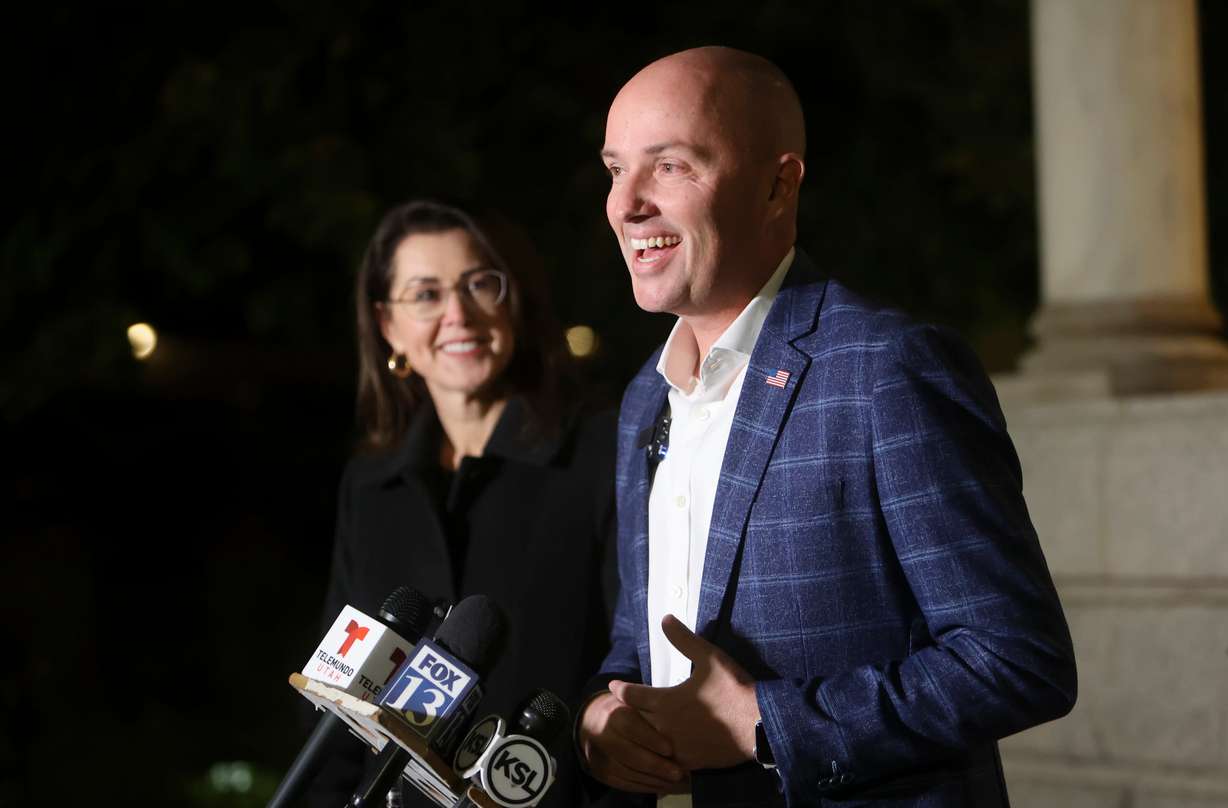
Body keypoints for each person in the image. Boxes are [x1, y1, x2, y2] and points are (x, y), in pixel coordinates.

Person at [577, 47, 1077, 807]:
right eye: (616, 169)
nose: (627, 204)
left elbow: (1017, 659)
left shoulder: (888, 367)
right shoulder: (645, 399)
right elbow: (639, 641)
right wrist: (605, 718)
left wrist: (768, 727)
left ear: (779, 184)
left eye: (671, 166)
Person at [310, 199, 619, 807]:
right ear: (388, 325)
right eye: (425, 294)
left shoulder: (600, 452)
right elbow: (335, 705)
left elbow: (628, 670)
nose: (458, 314)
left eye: (480, 283)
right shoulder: (372, 488)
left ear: (516, 300)